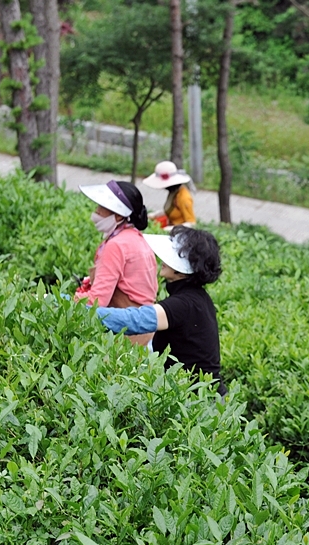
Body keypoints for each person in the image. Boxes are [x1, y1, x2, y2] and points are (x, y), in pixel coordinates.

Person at [93, 226, 227, 397]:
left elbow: (134, 320)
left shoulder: (184, 304)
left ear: (184, 269)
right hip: (203, 395)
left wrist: (82, 311)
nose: (163, 260)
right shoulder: (197, 297)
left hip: (203, 400)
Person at [74, 180, 158, 346]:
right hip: (146, 333)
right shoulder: (138, 239)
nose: (96, 212)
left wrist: (66, 300)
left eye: (101, 207)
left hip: (125, 336)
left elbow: (96, 301)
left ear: (119, 215)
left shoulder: (116, 245)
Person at [142, 161, 196, 228]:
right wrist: (154, 215)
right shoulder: (174, 193)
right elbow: (171, 210)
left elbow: (191, 223)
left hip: (180, 232)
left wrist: (170, 228)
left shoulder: (184, 198)